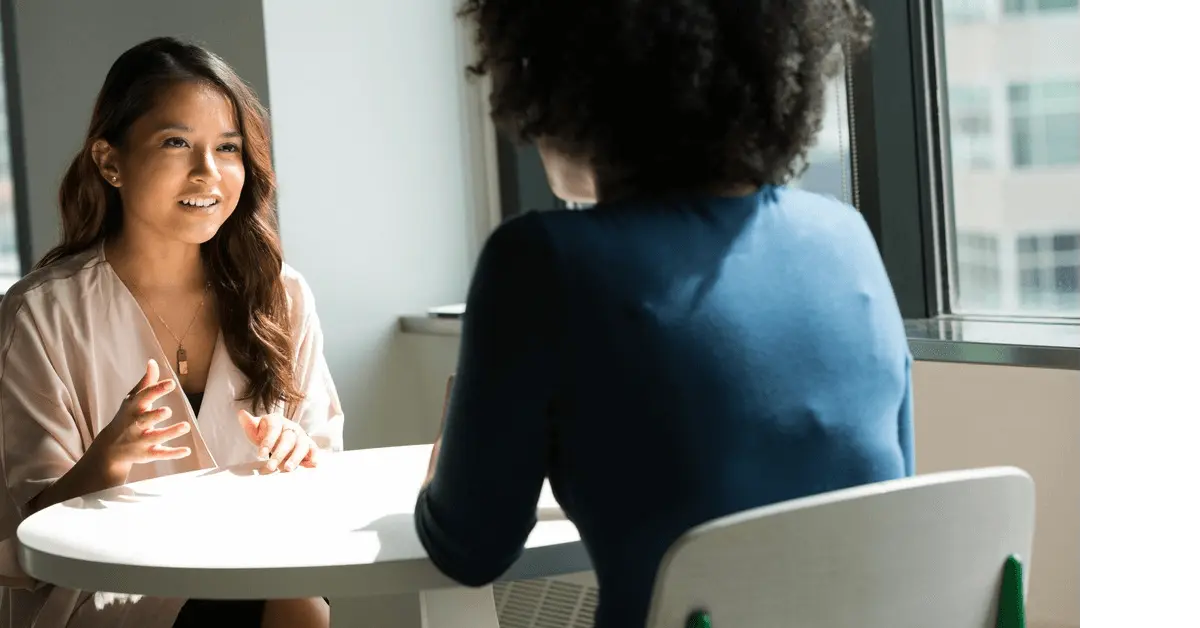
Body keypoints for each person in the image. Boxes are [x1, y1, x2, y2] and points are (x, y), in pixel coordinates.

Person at [415, 1, 912, 627]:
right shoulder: (847, 240)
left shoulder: (541, 263)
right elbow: (889, 499)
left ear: (559, 75)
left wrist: (442, 476)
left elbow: (469, 550)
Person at [0, 38, 342, 628]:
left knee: (300, 601)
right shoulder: (39, 314)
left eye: (228, 148)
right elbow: (21, 542)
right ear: (111, 162)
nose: (208, 172)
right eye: (176, 142)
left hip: (258, 574)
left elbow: (328, 482)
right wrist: (104, 465)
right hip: (106, 598)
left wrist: (300, 453)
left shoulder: (280, 294)